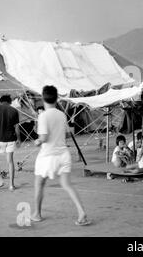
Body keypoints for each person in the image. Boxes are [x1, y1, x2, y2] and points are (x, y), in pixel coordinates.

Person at [31, 85, 90, 226]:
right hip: (63, 154)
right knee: (67, 184)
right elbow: (69, 134)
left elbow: (44, 137)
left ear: (43, 98)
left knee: (39, 184)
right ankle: (81, 211)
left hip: (48, 156)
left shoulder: (43, 116)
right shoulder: (62, 115)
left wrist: (37, 141)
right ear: (57, 98)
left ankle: (37, 214)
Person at [0, 94, 21, 191]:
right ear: (10, 102)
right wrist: (18, 139)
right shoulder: (14, 111)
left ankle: (0, 180)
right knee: (10, 162)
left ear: (0, 101)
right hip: (11, 139)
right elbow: (16, 127)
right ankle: (11, 185)